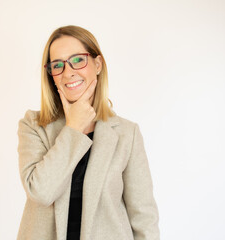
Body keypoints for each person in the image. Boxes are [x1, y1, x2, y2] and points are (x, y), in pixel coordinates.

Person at [17, 25, 160, 240]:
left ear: (98, 64)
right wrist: (73, 128)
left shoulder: (126, 134)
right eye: (58, 65)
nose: (68, 72)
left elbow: (144, 219)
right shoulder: (33, 126)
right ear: (51, 76)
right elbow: (41, 192)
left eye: (77, 60)